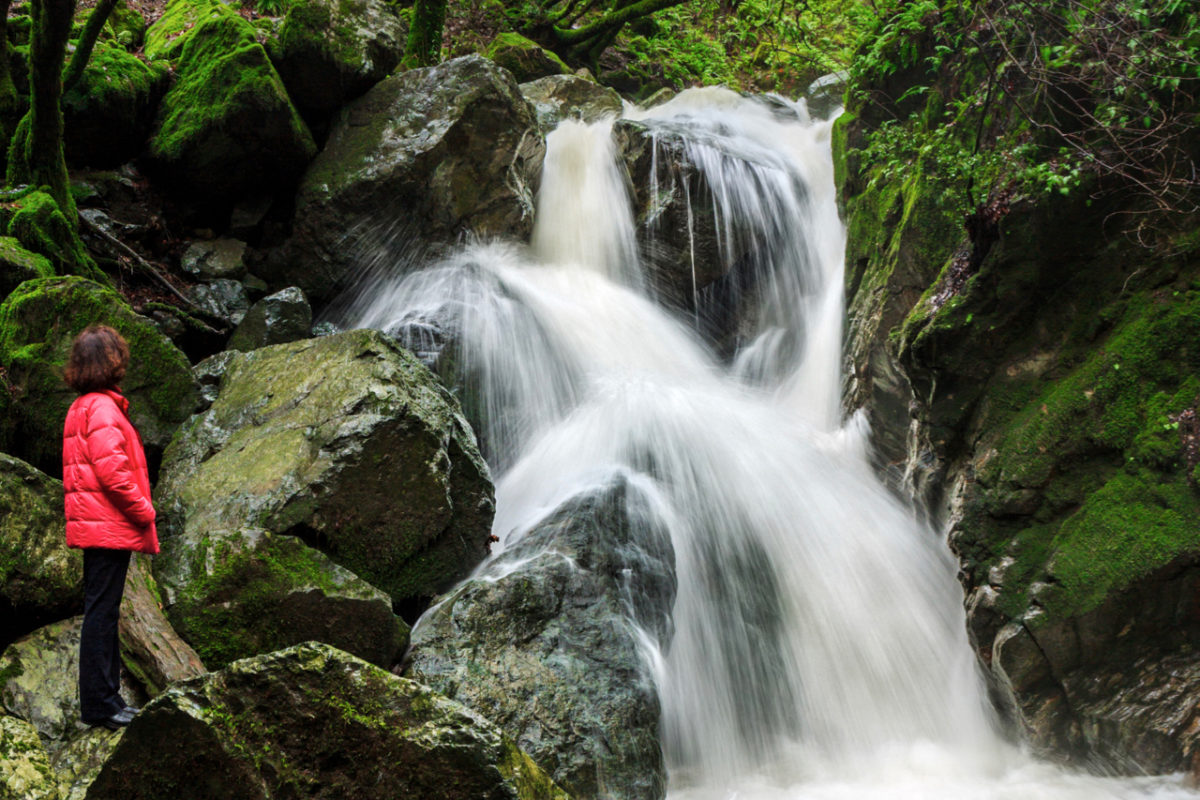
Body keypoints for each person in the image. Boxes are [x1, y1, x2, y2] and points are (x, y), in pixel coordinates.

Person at [61, 325, 159, 730]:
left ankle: (107, 697)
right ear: (111, 361)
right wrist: (145, 512)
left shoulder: (82, 406)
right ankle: (102, 704)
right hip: (107, 526)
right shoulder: (101, 408)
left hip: (96, 524)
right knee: (102, 613)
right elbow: (113, 473)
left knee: (102, 610)